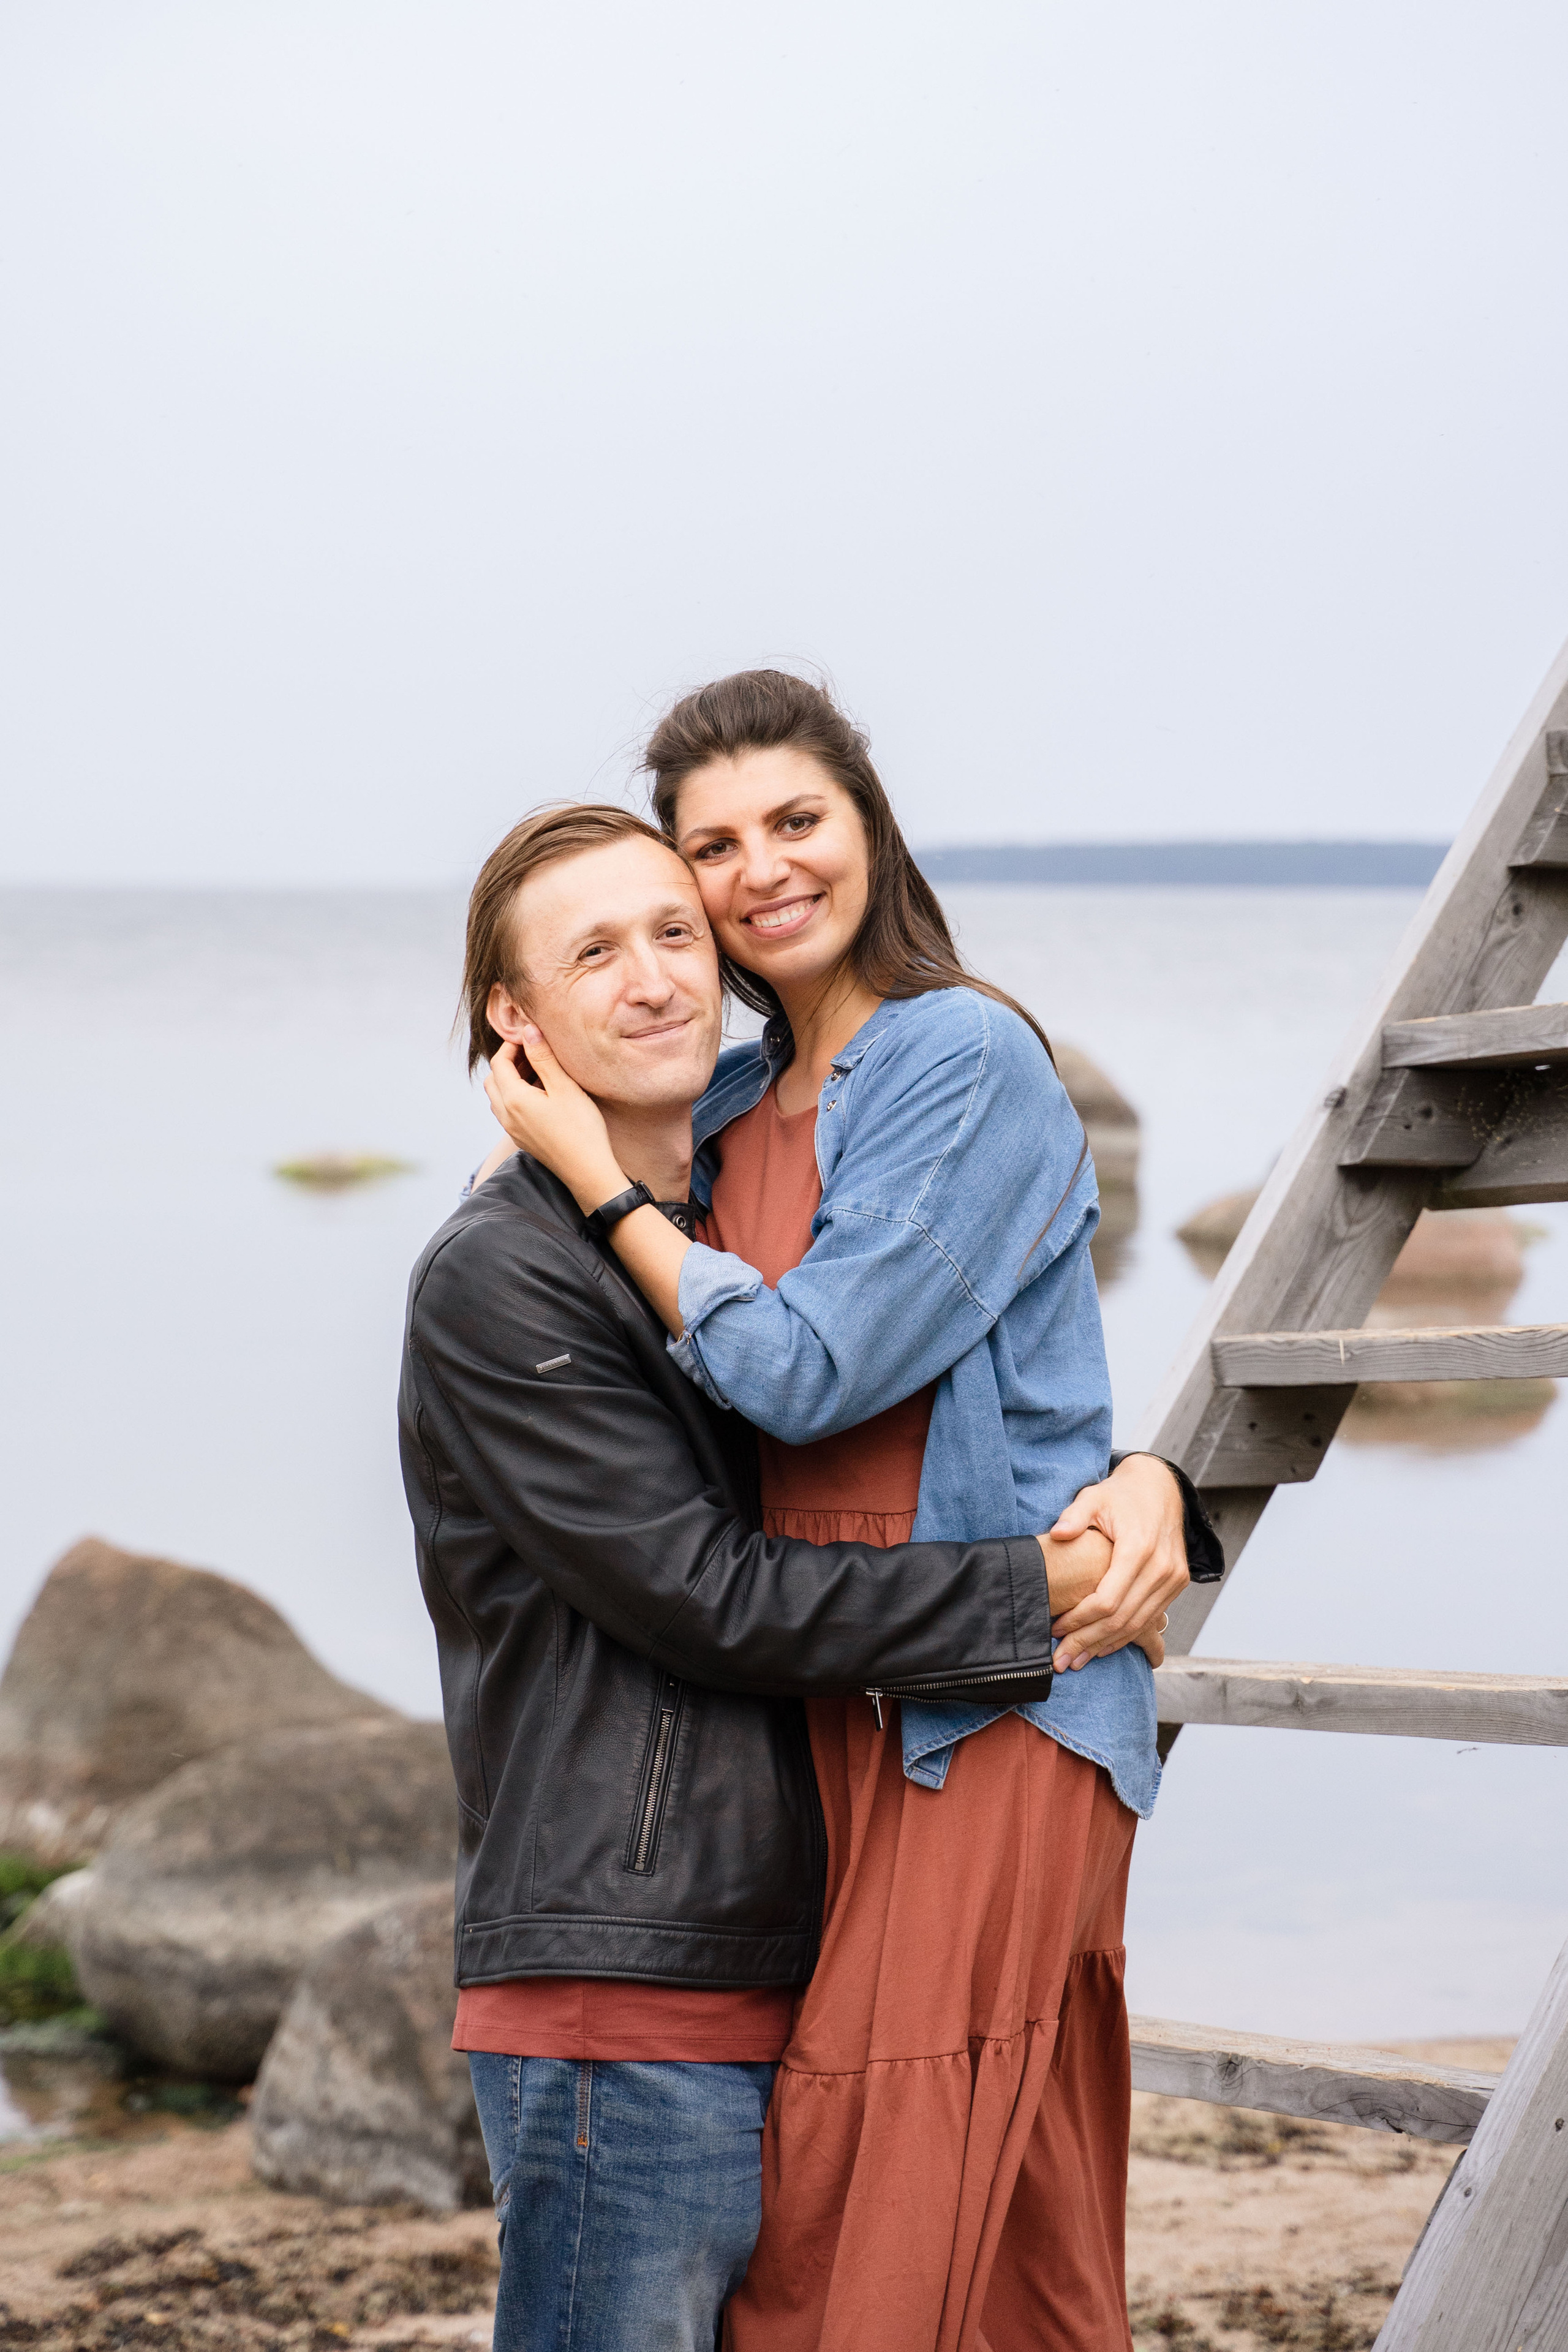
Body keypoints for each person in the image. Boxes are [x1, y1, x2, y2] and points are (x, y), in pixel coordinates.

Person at [483, 673, 1222, 2352]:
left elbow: (815, 1377)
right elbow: (651, 1372)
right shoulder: (732, 1106)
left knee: (858, 2193)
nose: (761, 874)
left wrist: (592, 1185)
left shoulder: (960, 1055)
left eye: (796, 822)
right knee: (1001, 2208)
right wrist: (553, 1165)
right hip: (821, 1686)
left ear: (870, 830)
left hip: (992, 1688)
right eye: (713, 848)